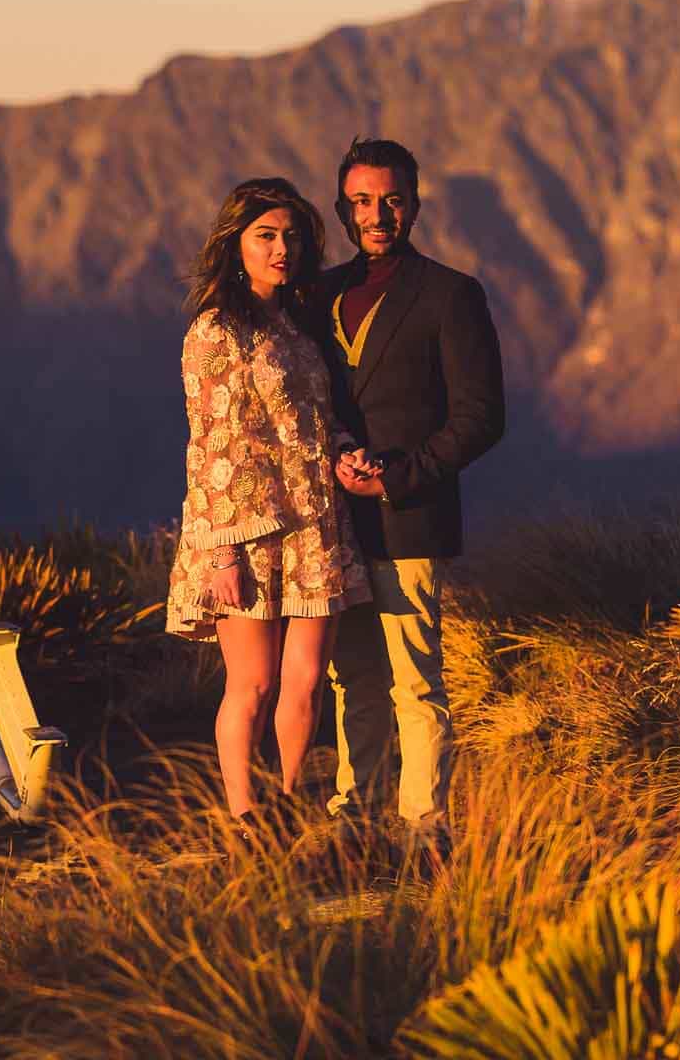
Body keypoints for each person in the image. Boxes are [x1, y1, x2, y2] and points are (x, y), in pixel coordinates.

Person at [311, 138, 505, 861]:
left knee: (414, 683)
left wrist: (398, 476)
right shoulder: (318, 295)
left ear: (415, 203)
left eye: (391, 199)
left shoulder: (451, 296)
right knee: (350, 678)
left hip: (408, 519)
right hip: (330, 527)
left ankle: (425, 829)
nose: (377, 214)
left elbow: (481, 417)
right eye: (361, 201)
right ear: (341, 208)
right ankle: (352, 823)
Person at [165, 177, 372, 819]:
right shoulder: (215, 329)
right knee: (252, 682)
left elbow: (315, 417)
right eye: (266, 236)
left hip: (316, 523)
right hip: (246, 529)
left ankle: (286, 805)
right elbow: (211, 442)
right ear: (236, 244)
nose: (282, 248)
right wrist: (221, 551)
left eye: (291, 236)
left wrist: (344, 452)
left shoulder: (298, 326)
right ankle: (242, 815)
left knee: (306, 680)